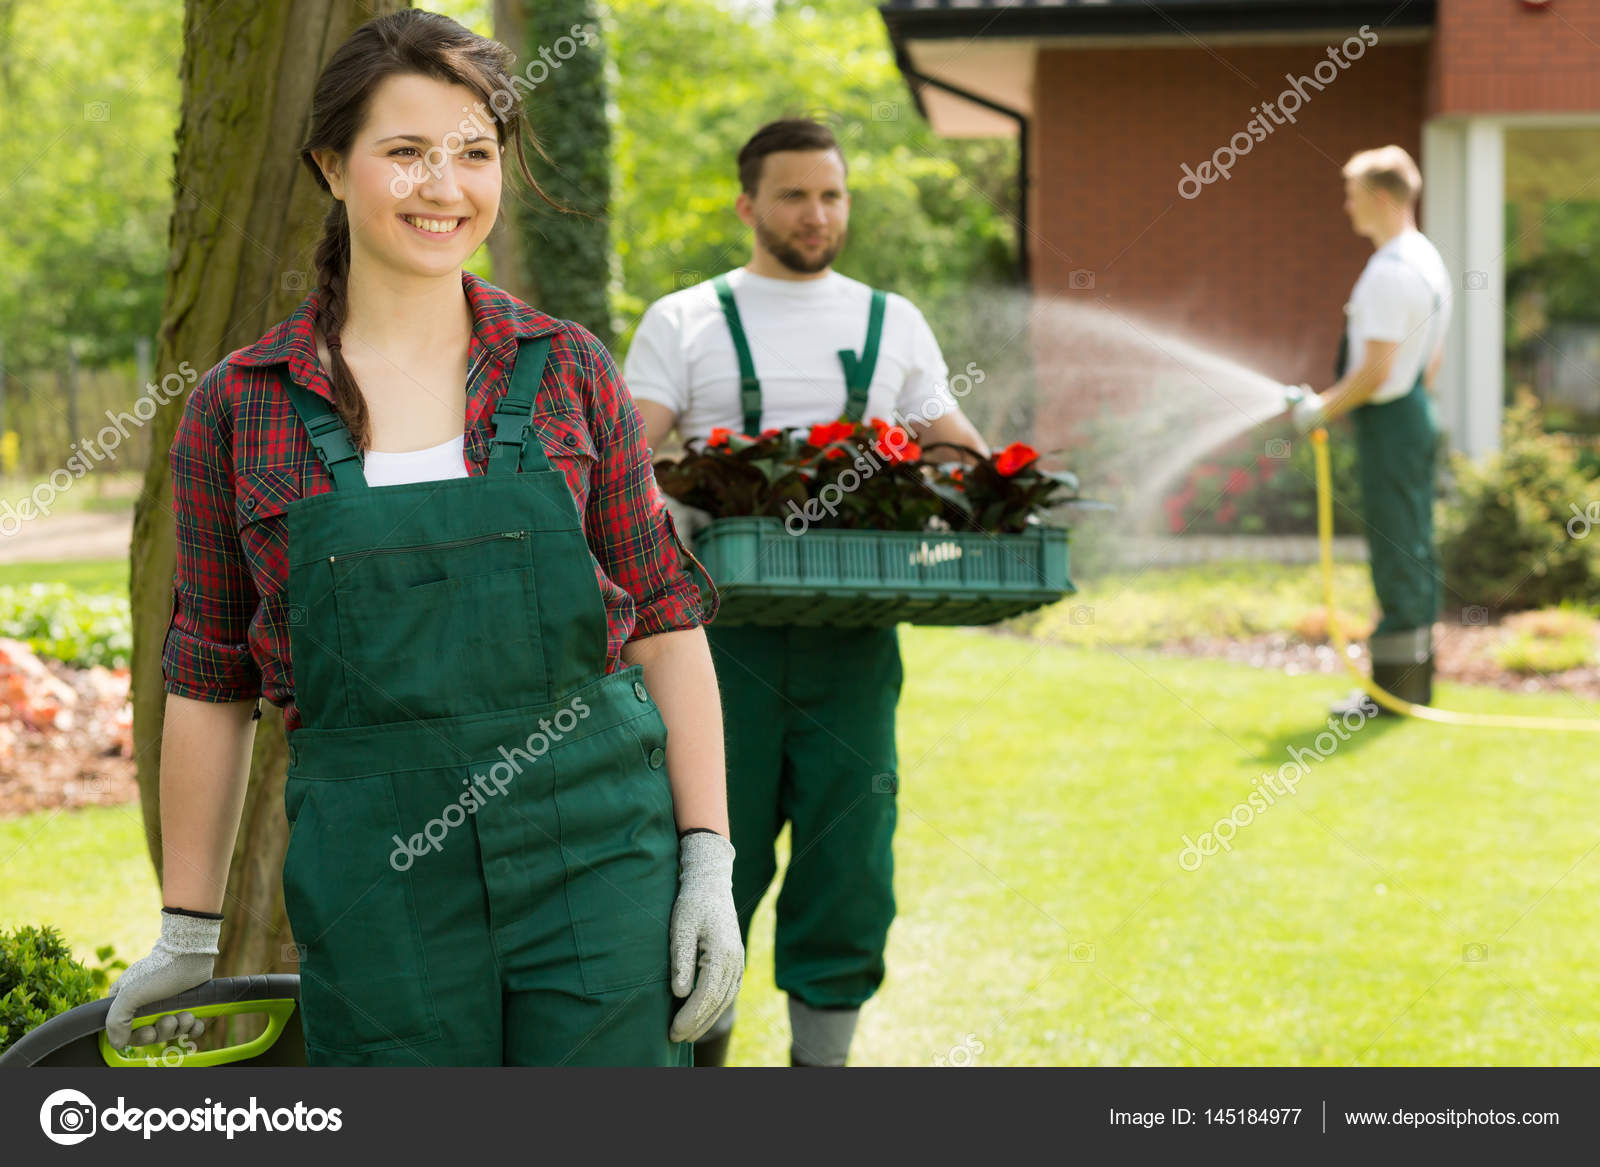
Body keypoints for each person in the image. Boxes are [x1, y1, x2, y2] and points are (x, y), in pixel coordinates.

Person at [104, 9, 742, 1066]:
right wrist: (189, 926)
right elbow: (210, 674)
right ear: (331, 165)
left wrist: (708, 860)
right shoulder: (237, 405)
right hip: (377, 879)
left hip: (596, 857)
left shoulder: (569, 370)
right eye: (405, 153)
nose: (443, 187)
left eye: (474, 154)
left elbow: (666, 625)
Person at [623, 117, 989, 1066]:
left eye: (831, 195)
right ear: (749, 205)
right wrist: (679, 493)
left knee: (850, 859)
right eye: (793, 194)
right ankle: (701, 1060)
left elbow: (956, 444)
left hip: (852, 639)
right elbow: (622, 459)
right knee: (707, 856)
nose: (816, 213)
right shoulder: (686, 317)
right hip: (714, 645)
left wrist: (985, 490)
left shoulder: (891, 320)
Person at [1292, 145, 1451, 714]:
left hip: (1390, 419)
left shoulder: (1390, 271)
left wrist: (1322, 408)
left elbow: (1377, 370)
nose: (1347, 206)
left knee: (1395, 550)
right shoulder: (1427, 261)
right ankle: (1410, 685)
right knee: (1412, 542)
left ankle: (1393, 693)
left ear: (1381, 198)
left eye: (1353, 195)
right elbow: (1426, 363)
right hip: (1413, 413)